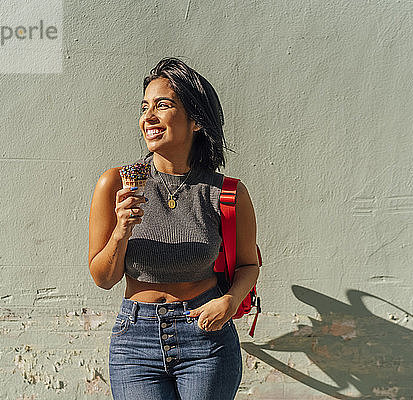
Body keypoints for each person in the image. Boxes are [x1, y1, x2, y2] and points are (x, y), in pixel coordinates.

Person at [88, 57, 260, 400]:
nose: (148, 116)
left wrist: (229, 301)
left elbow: (247, 265)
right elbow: (104, 279)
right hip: (136, 342)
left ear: (195, 120)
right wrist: (121, 229)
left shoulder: (226, 193)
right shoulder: (115, 184)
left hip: (206, 338)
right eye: (145, 107)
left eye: (163, 105)